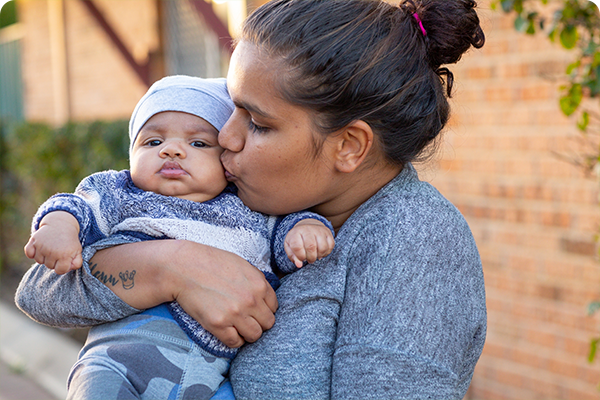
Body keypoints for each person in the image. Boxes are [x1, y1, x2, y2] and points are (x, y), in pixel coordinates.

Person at [16, 0, 488, 398]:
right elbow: (40, 292)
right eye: (232, 107)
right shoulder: (259, 200)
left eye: (257, 122)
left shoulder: (416, 239)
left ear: (349, 146)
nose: (225, 136)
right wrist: (171, 266)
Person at [20, 75, 335, 399]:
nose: (172, 150)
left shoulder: (248, 207)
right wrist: (59, 226)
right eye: (153, 142)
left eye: (198, 143)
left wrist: (305, 230)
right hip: (118, 359)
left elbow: (283, 233)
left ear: (226, 160)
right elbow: (78, 206)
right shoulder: (122, 194)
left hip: (210, 377)